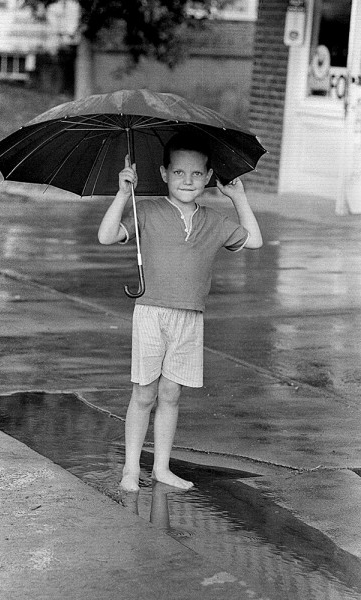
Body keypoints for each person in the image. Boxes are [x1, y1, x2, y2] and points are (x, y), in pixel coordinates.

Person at [98, 133, 263, 492]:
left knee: (171, 393)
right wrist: (124, 194)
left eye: (195, 174)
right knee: (144, 393)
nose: (187, 181)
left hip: (190, 317)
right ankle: (130, 468)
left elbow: (254, 240)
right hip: (151, 313)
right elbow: (107, 236)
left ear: (207, 177)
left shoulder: (214, 221)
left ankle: (160, 468)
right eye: (178, 173)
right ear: (163, 173)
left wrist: (238, 198)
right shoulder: (149, 210)